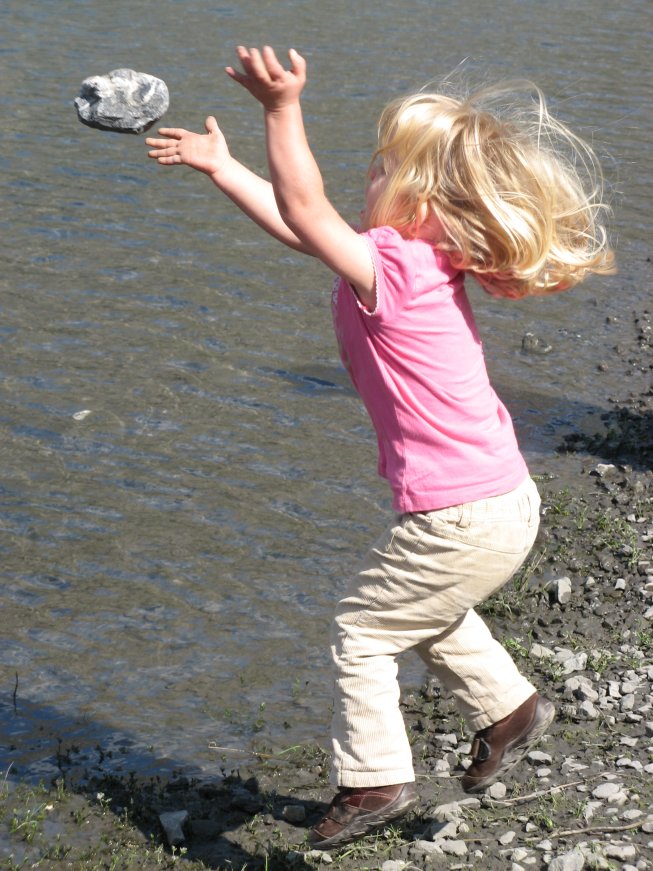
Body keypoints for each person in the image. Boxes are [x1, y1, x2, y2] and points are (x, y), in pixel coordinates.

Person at [146, 46, 614, 850]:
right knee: (426, 613)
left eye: (383, 166)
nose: (370, 175)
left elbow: (305, 205)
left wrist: (280, 109)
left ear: (426, 202)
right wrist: (222, 169)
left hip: (459, 515)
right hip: (499, 502)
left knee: (362, 628)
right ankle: (510, 709)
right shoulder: (416, 264)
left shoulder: (394, 269)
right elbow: (304, 224)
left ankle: (374, 779)